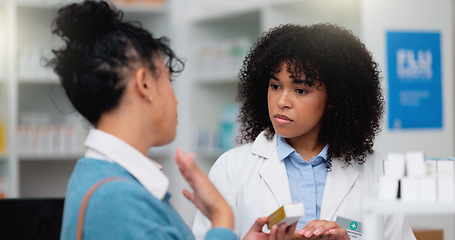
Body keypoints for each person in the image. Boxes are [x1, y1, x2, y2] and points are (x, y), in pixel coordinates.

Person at [48, 1, 296, 239]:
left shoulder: (101, 176)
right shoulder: (117, 198)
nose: (175, 99)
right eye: (167, 79)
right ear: (144, 83)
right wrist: (222, 217)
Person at [192, 24, 416, 240]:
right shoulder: (232, 168)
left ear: (334, 98)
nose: (282, 101)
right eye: (275, 86)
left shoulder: (379, 172)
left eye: (300, 90)